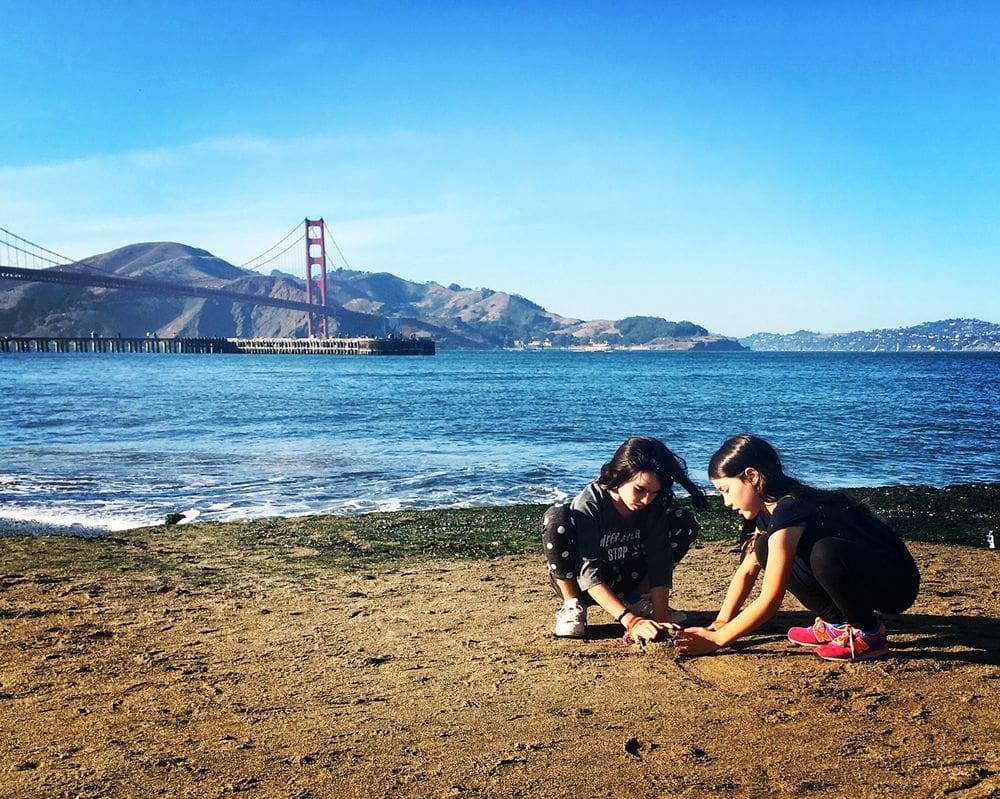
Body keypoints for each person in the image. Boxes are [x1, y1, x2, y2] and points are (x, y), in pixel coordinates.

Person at [676, 435, 921, 662]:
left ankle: (869, 633)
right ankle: (835, 624)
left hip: (895, 583)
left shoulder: (791, 508)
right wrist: (720, 622)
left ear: (751, 476)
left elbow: (771, 599)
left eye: (726, 490)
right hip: (859, 574)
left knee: (825, 553)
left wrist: (718, 641)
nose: (727, 502)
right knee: (763, 550)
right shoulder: (768, 512)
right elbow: (747, 570)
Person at [542, 436, 708, 642]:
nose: (646, 499)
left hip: (627, 577)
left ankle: (637, 599)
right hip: (582, 581)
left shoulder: (652, 506)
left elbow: (660, 562)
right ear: (617, 475)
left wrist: (661, 618)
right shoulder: (591, 503)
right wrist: (631, 621)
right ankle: (572, 604)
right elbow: (589, 572)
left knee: (683, 521)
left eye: (654, 493)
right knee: (557, 517)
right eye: (640, 490)